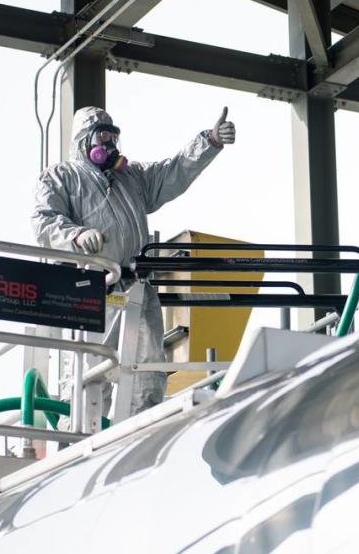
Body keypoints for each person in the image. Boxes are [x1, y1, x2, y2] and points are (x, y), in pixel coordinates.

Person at [31, 105, 236, 417]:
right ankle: (88, 432)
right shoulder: (61, 178)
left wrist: (209, 141)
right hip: (92, 287)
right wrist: (75, 235)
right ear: (84, 141)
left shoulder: (131, 178)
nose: (110, 144)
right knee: (91, 373)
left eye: (114, 137)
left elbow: (174, 171)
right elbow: (43, 222)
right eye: (103, 136)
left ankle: (141, 430)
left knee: (147, 368)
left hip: (137, 288)